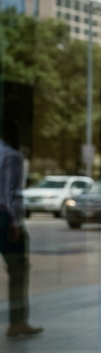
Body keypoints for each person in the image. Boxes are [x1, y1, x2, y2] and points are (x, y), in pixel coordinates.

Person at [0, 124, 39, 338]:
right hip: (4, 218)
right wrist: (15, 222)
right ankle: (18, 321)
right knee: (18, 269)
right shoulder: (12, 156)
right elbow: (11, 192)